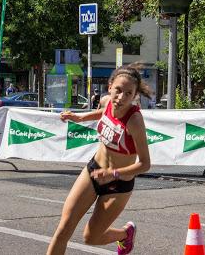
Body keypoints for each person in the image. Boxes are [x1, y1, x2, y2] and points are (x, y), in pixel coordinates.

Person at [47, 63, 153, 255]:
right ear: (110, 85)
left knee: (91, 238)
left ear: (135, 95)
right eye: (118, 90)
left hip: (118, 184)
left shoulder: (135, 121)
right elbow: (103, 112)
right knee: (63, 229)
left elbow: (145, 164)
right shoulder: (106, 101)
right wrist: (80, 118)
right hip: (93, 171)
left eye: (128, 94)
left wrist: (113, 173)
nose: (121, 98)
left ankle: (125, 234)